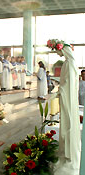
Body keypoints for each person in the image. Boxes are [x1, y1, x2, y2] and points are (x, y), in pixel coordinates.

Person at [48, 41, 81, 175]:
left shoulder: (70, 63)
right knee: (65, 126)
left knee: (68, 126)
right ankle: (64, 152)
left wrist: (57, 91)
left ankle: (68, 155)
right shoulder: (68, 63)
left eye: (57, 51)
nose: (57, 53)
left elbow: (68, 83)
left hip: (69, 100)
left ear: (64, 50)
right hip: (66, 98)